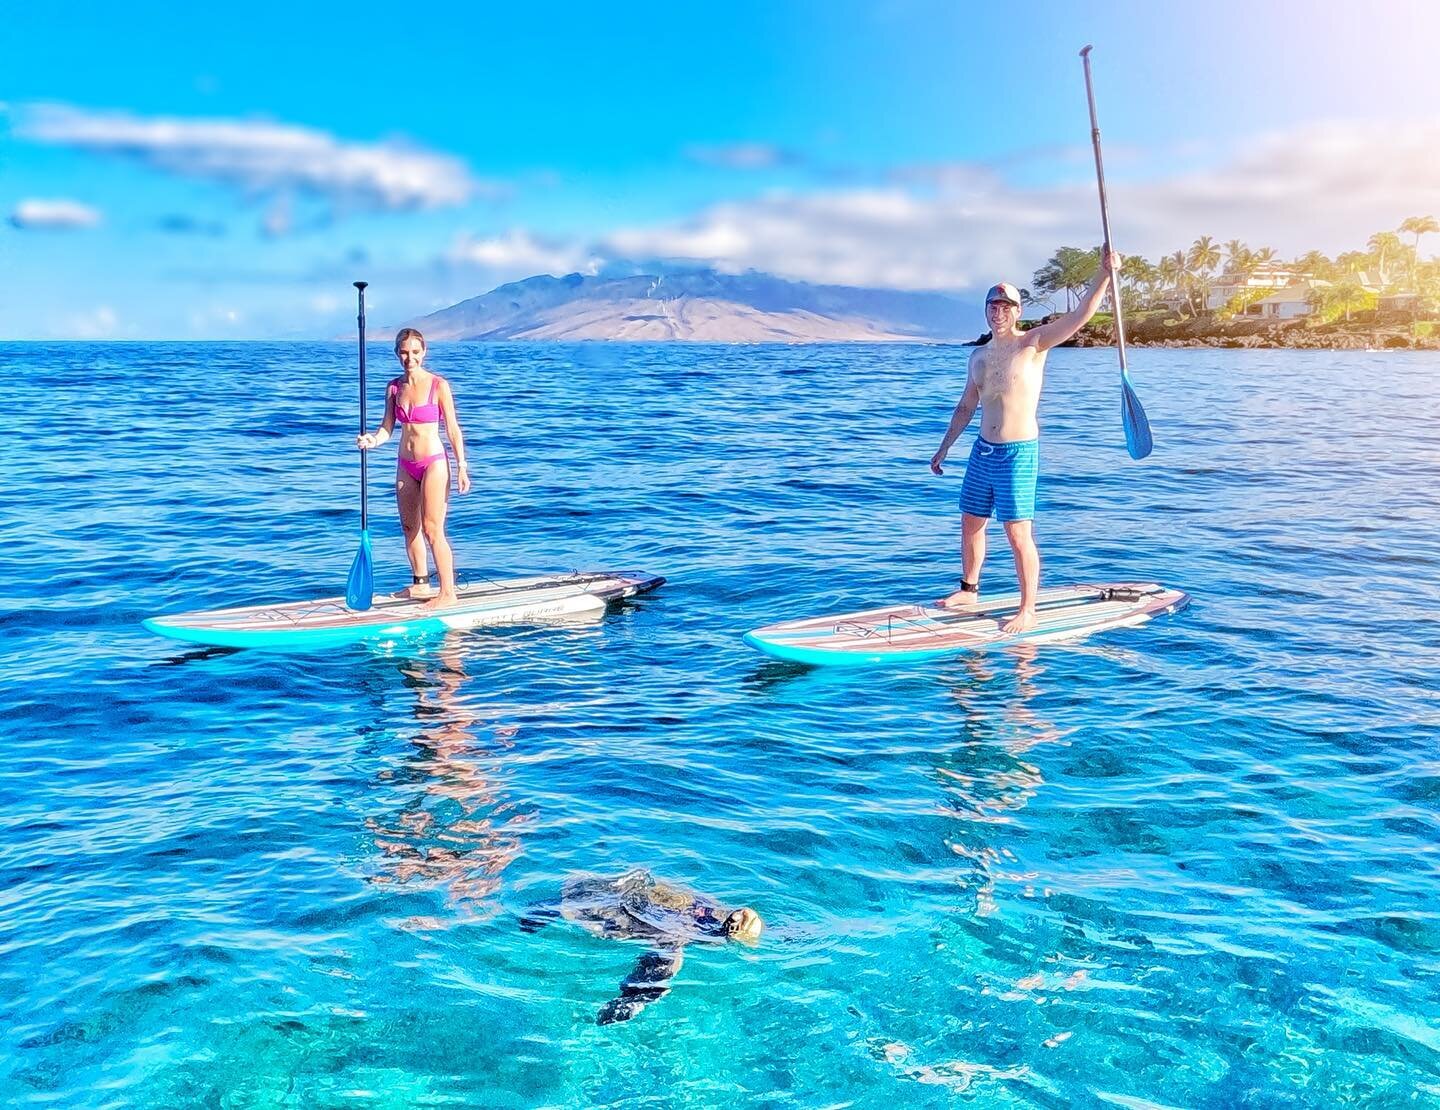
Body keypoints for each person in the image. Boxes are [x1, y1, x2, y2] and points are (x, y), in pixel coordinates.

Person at [929, 254, 1119, 632]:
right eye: (992, 305)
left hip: (1017, 452)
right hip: (982, 451)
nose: (998, 311)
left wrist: (1103, 274)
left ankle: (1028, 608)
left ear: (1017, 312)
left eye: (1005, 306)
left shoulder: (1034, 343)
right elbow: (967, 404)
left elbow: (1079, 315)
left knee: (1017, 532)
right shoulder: (979, 356)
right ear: (986, 311)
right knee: (970, 522)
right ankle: (969, 589)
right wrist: (945, 446)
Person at [356, 328, 470, 609]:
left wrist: (462, 467)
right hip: (405, 465)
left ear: (424, 352)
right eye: (404, 352)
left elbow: (452, 429)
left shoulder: (438, 385)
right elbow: (387, 428)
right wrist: (372, 440)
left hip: (434, 463)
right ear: (397, 354)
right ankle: (420, 584)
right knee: (410, 528)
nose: (410, 358)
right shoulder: (394, 388)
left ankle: (448, 593)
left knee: (433, 530)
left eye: (415, 352)